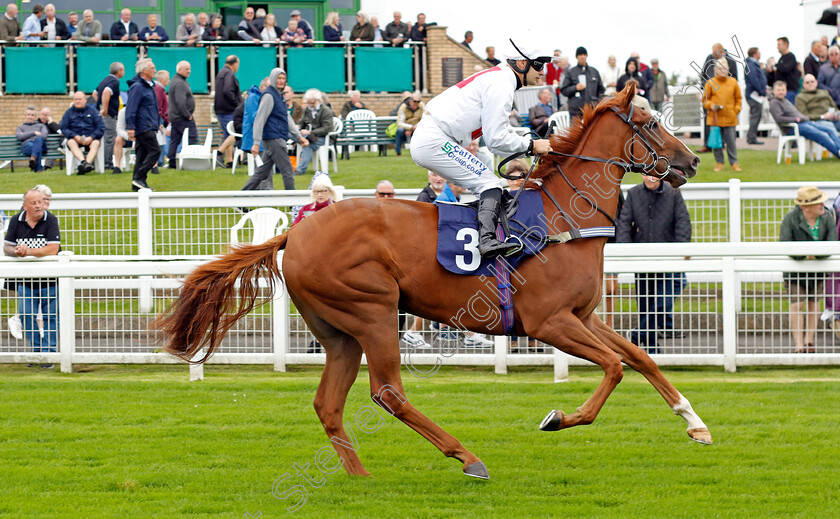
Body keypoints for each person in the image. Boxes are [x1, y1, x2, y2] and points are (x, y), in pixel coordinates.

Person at [412, 41, 552, 258]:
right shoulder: (502, 84)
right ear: (522, 63)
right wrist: (531, 145)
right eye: (539, 65)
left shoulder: (500, 78)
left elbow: (495, 133)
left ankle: (480, 233)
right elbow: (496, 140)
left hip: (434, 136)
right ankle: (486, 242)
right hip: (434, 138)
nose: (542, 73)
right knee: (490, 184)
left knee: (489, 186)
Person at [617, 173, 691, 354]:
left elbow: (683, 221)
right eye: (646, 174)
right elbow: (625, 223)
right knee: (645, 303)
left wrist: (683, 250)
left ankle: (638, 333)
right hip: (642, 258)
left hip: (668, 258)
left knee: (665, 296)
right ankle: (651, 349)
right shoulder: (634, 193)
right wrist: (624, 250)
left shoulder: (673, 192)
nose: (650, 178)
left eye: (653, 175)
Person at [4, 188, 60, 367]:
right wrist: (16, 251)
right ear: (25, 206)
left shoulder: (50, 220)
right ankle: (36, 353)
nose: (39, 206)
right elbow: (7, 247)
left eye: (41, 202)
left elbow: (53, 249)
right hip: (26, 281)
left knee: (51, 317)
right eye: (34, 203)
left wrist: (28, 252)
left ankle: (48, 355)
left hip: (49, 279)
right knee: (27, 315)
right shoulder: (16, 221)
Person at [780, 186, 837, 353]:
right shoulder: (790, 218)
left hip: (817, 271)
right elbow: (785, 245)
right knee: (797, 304)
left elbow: (831, 245)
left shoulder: (827, 217)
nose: (822, 205)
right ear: (805, 207)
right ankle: (798, 345)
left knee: (813, 304)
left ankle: (809, 342)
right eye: (817, 203)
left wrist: (812, 255)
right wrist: (808, 254)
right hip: (795, 272)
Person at [241, 68, 307, 192]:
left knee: (261, 173)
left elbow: (287, 119)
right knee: (287, 171)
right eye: (278, 78)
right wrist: (256, 142)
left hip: (275, 139)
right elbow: (259, 119)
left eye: (283, 78)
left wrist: (299, 137)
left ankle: (239, 201)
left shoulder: (280, 96)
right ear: (273, 79)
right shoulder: (269, 96)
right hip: (274, 139)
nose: (281, 81)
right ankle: (293, 204)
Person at [770, 80, 840, 158]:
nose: (781, 92)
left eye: (783, 90)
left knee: (829, 129)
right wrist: (796, 119)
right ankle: (838, 153)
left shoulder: (785, 101)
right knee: (822, 136)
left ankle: (839, 149)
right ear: (773, 91)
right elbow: (779, 119)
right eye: (778, 90)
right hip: (793, 127)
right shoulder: (774, 103)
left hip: (804, 122)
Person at [125, 58, 162, 192]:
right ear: (144, 71)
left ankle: (137, 184)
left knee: (142, 154)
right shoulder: (138, 87)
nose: (155, 71)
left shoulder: (149, 86)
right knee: (155, 151)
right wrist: (130, 127)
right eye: (152, 68)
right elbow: (131, 108)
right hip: (144, 126)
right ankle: (140, 177)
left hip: (149, 125)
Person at [704, 58, 742, 172]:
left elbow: (738, 99)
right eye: (720, 68)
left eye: (724, 68)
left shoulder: (733, 82)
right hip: (715, 119)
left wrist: (736, 110)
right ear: (716, 69)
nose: (722, 70)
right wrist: (711, 105)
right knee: (717, 143)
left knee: (731, 142)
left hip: (730, 118)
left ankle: (734, 163)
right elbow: (705, 100)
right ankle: (719, 163)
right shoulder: (710, 83)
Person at [60, 91, 104, 175]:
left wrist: (91, 137)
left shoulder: (93, 112)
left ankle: (86, 164)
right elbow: (64, 128)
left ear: (85, 100)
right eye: (75, 99)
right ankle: (84, 163)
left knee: (96, 143)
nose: (77, 101)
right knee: (70, 142)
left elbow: (101, 127)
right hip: (75, 139)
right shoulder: (68, 113)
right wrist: (75, 136)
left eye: (80, 99)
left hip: (91, 138)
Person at [294, 88, 335, 175]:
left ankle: (300, 170)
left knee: (306, 143)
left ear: (318, 100)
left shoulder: (326, 111)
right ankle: (300, 170)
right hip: (310, 138)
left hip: (323, 138)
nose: (310, 105)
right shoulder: (306, 110)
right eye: (308, 103)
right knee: (304, 141)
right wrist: (298, 127)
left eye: (312, 103)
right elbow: (301, 122)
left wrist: (311, 133)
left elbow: (326, 129)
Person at [95, 62, 125, 171]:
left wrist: (99, 106)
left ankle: (103, 162)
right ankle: (107, 164)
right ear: (119, 71)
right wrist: (105, 109)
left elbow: (95, 93)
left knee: (105, 138)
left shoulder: (105, 80)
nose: (124, 72)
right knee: (109, 139)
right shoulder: (114, 81)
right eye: (123, 70)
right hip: (109, 115)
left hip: (101, 114)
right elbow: (106, 93)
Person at [561, 46, 605, 119]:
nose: (582, 57)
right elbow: (564, 90)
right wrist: (575, 88)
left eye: (584, 55)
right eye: (580, 55)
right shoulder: (571, 72)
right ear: (577, 57)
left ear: (587, 56)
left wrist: (597, 102)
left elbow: (601, 90)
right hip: (576, 112)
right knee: (576, 131)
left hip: (592, 110)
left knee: (593, 131)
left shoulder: (594, 71)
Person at [167, 61, 197, 169]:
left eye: (189, 69)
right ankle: (187, 159)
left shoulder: (178, 81)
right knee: (192, 136)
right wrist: (187, 114)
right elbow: (180, 101)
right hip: (181, 117)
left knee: (175, 139)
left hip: (176, 116)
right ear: (179, 70)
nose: (189, 71)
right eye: (186, 69)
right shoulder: (180, 83)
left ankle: (172, 162)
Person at [215, 54, 241, 163]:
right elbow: (228, 91)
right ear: (234, 64)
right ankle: (218, 154)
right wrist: (237, 104)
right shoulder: (229, 74)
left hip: (221, 109)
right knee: (233, 134)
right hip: (228, 110)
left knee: (228, 134)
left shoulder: (221, 72)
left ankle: (229, 161)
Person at [745, 47, 768, 145]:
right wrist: (761, 91)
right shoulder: (751, 64)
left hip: (756, 95)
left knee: (756, 116)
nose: (760, 54)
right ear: (754, 54)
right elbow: (754, 79)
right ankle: (751, 138)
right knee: (755, 116)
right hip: (754, 95)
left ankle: (751, 137)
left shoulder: (752, 64)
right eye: (759, 52)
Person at [16, 105, 48, 172]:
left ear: (35, 117)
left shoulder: (41, 126)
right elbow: (19, 137)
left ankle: (33, 158)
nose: (30, 117)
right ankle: (38, 169)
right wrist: (34, 132)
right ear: (25, 116)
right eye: (28, 114)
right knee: (35, 147)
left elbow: (44, 136)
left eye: (32, 115)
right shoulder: (20, 127)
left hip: (41, 145)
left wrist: (25, 135)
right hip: (27, 146)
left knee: (38, 139)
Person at [395, 91, 424, 156]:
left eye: (418, 101)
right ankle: (398, 152)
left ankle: (421, 153)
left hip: (417, 127)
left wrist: (414, 127)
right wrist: (410, 128)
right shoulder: (403, 107)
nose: (417, 103)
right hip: (405, 127)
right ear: (410, 100)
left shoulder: (422, 105)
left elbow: (424, 119)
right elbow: (399, 123)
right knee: (400, 130)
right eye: (415, 101)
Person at [775, 36, 800, 104]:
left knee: (789, 113)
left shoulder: (791, 57)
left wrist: (776, 65)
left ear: (786, 45)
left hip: (789, 91)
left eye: (779, 44)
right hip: (782, 92)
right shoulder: (781, 59)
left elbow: (785, 69)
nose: (777, 47)